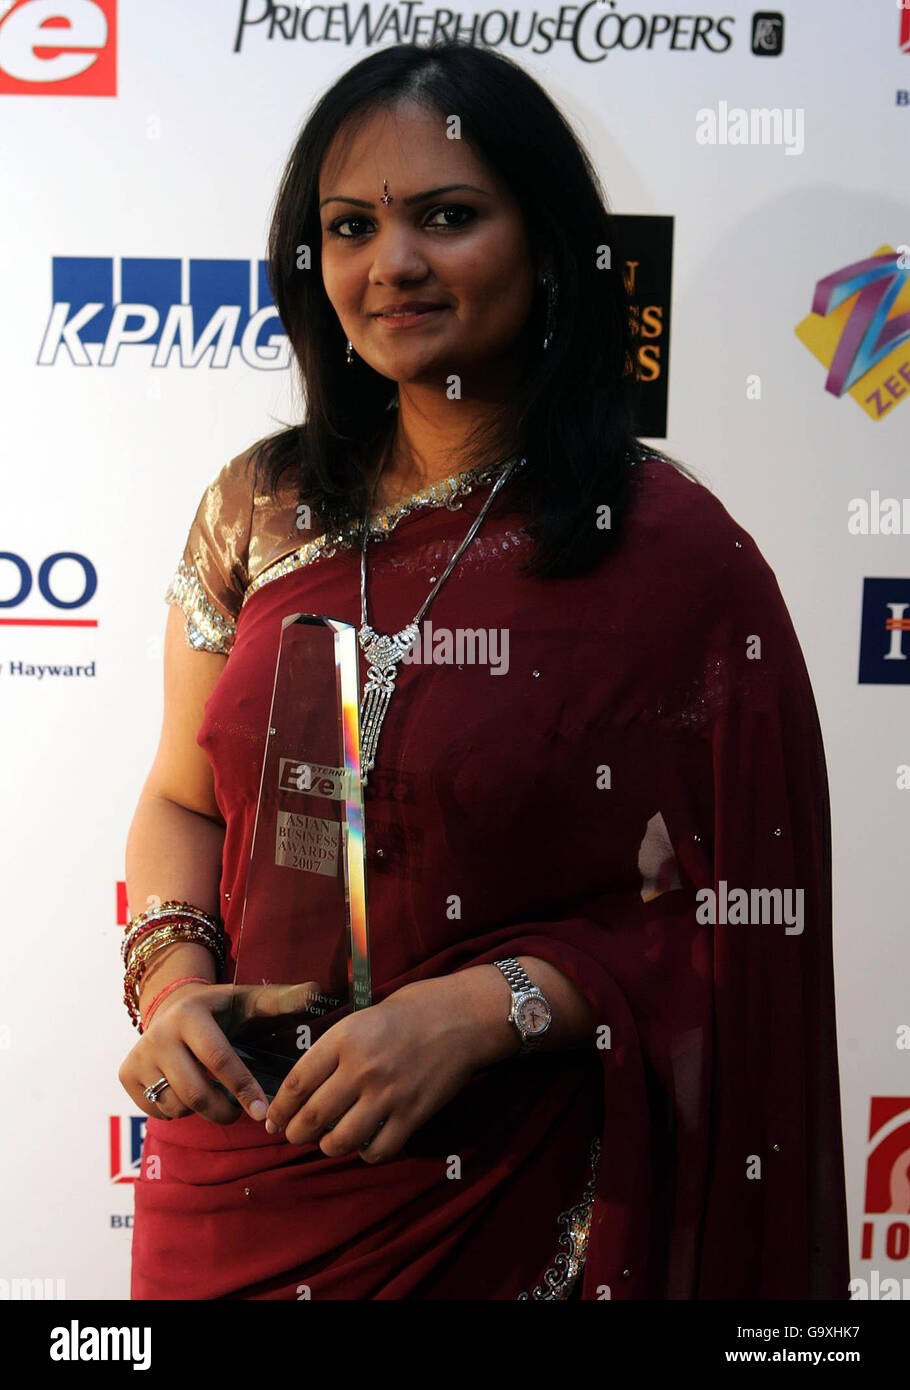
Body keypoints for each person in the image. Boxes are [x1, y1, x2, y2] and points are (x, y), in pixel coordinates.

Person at [119, 40, 850, 1300]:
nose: (389, 265)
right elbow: (183, 796)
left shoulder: (670, 554)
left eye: (447, 217)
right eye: (349, 227)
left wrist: (493, 1004)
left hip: (505, 1198)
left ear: (549, 243)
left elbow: (742, 921)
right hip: (236, 1172)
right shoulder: (259, 509)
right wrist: (173, 982)